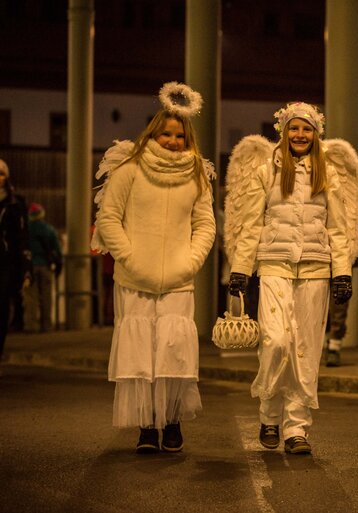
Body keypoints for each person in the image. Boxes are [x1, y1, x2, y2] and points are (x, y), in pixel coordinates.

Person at [226, 102, 358, 455]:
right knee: (275, 342)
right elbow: (251, 222)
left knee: (306, 351)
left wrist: (342, 272)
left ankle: (296, 428)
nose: (300, 135)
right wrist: (241, 268)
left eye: (307, 129)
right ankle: (269, 415)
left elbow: (339, 228)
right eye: (294, 129)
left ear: (316, 135)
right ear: (283, 132)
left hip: (316, 271)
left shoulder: (327, 173)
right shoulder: (265, 171)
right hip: (273, 266)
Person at [91, 82, 216, 454]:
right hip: (134, 279)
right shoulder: (129, 169)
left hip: (179, 280)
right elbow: (108, 219)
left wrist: (190, 261)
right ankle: (147, 427)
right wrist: (130, 257)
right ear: (153, 133)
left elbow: (206, 224)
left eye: (179, 135)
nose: (173, 141)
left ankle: (172, 421)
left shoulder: (196, 174)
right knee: (142, 352)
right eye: (166, 133)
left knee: (173, 351)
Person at [0, 158, 32, 365]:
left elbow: (22, 237)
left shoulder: (15, 202)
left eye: (1, 173)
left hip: (5, 264)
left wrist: (26, 271)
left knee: (2, 310)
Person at [24, 202, 62, 333]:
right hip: (45, 266)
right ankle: (47, 326)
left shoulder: (26, 229)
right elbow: (57, 249)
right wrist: (58, 265)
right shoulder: (49, 229)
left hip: (29, 268)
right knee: (46, 297)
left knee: (31, 298)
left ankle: (31, 326)